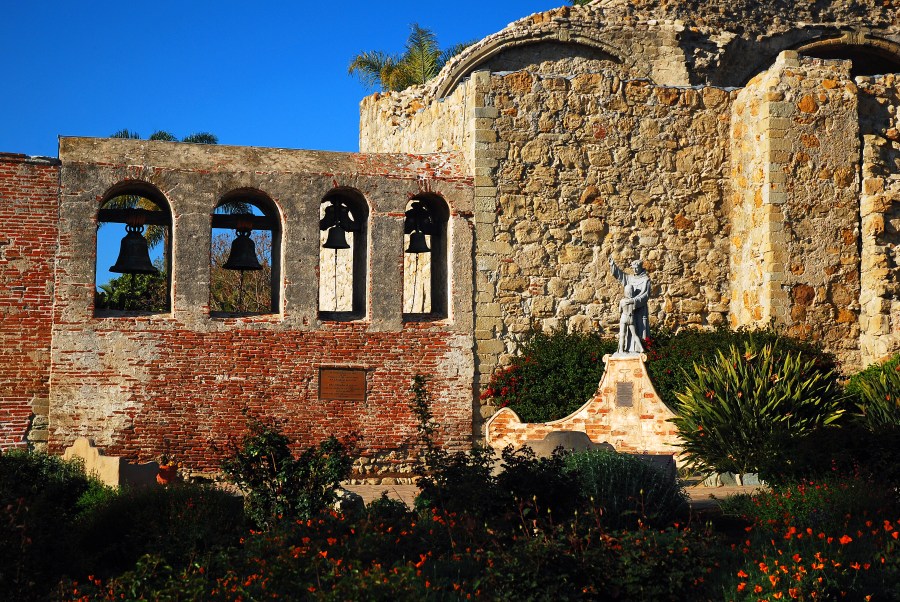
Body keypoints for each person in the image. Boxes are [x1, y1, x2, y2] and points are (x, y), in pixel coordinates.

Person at [609, 257, 651, 354]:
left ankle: (639, 349)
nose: (635, 270)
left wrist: (633, 300)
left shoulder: (646, 280)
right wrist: (613, 265)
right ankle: (626, 349)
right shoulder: (630, 278)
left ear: (641, 267)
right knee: (629, 333)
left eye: (637, 268)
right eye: (634, 268)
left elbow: (646, 295)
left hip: (639, 310)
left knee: (638, 331)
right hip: (630, 312)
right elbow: (621, 276)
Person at [618, 283, 644, 354]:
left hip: (624, 317)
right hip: (631, 318)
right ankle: (641, 348)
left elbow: (620, 311)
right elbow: (635, 308)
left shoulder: (622, 301)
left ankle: (621, 350)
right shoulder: (633, 301)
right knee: (635, 334)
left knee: (622, 334)